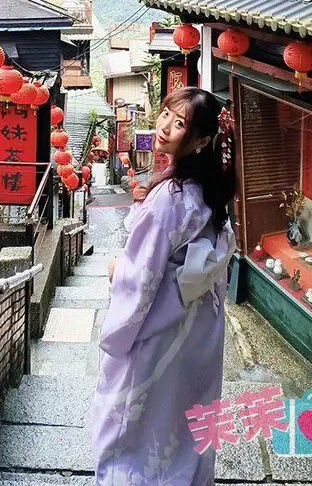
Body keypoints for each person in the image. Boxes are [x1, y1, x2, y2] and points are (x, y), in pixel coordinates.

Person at [92, 87, 237, 486]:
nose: (165, 128)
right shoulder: (210, 195)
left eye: (180, 124)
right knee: (186, 416)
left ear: (203, 140)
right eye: (167, 115)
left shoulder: (170, 200)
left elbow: (140, 277)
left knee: (135, 429)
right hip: (198, 328)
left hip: (161, 330)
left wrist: (115, 269)